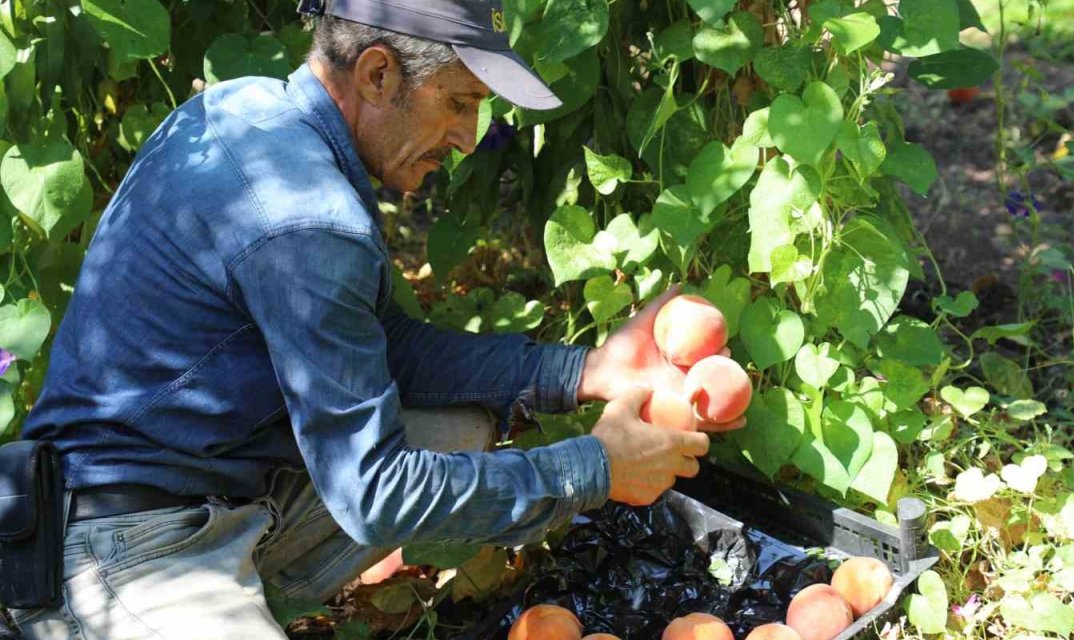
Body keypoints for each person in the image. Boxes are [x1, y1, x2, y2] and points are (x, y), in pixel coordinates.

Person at [3, 0, 743, 637]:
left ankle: (242, 592)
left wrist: (579, 371)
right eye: (458, 102)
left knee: (459, 435)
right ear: (378, 73)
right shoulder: (305, 219)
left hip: (203, 483)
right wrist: (594, 468)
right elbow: (376, 494)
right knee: (427, 472)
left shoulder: (245, 111)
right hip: (117, 545)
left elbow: (381, 346)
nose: (468, 137)